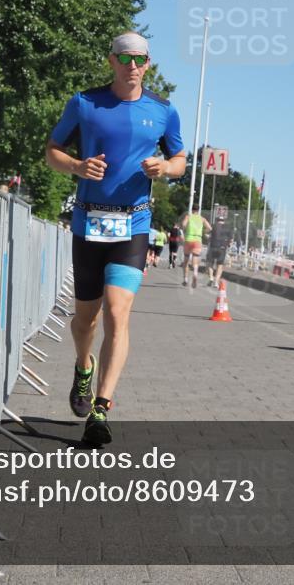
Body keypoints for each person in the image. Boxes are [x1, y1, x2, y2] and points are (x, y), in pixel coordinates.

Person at [46, 31, 186, 445]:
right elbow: (52, 150)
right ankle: (83, 366)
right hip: (89, 223)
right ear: (111, 61)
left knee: (116, 312)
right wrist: (76, 165)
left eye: (139, 59)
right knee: (85, 320)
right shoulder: (85, 103)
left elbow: (180, 159)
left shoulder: (163, 111)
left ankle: (101, 410)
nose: (131, 66)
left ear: (148, 64)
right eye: (124, 58)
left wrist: (166, 167)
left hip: (134, 225)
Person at [180, 204, 211, 288]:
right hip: (198, 240)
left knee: (186, 260)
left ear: (192, 209)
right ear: (198, 210)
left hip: (188, 239)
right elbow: (210, 228)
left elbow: (183, 224)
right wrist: (203, 232)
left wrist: (185, 229)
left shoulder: (188, 217)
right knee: (195, 259)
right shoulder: (202, 219)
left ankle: (185, 279)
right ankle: (195, 273)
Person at [206, 216, 231, 287]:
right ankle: (216, 282)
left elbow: (206, 233)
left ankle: (211, 277)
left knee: (210, 263)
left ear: (217, 220)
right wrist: (227, 244)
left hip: (213, 247)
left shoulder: (213, 226)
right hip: (222, 249)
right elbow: (231, 240)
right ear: (224, 221)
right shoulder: (228, 228)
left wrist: (209, 238)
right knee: (220, 266)